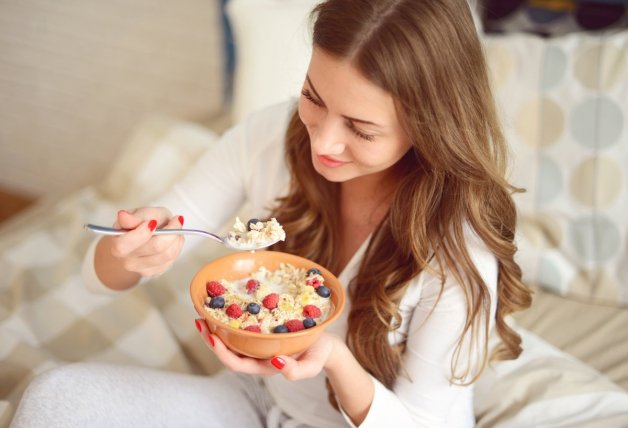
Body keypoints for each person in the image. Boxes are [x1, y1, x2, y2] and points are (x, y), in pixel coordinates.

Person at [11, 0, 532, 427]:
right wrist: (131, 252)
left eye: (361, 129)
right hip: (254, 401)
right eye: (313, 96)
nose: (323, 141)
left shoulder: (458, 252)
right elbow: (97, 276)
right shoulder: (270, 138)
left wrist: (330, 359)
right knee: (54, 398)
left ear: (430, 127)